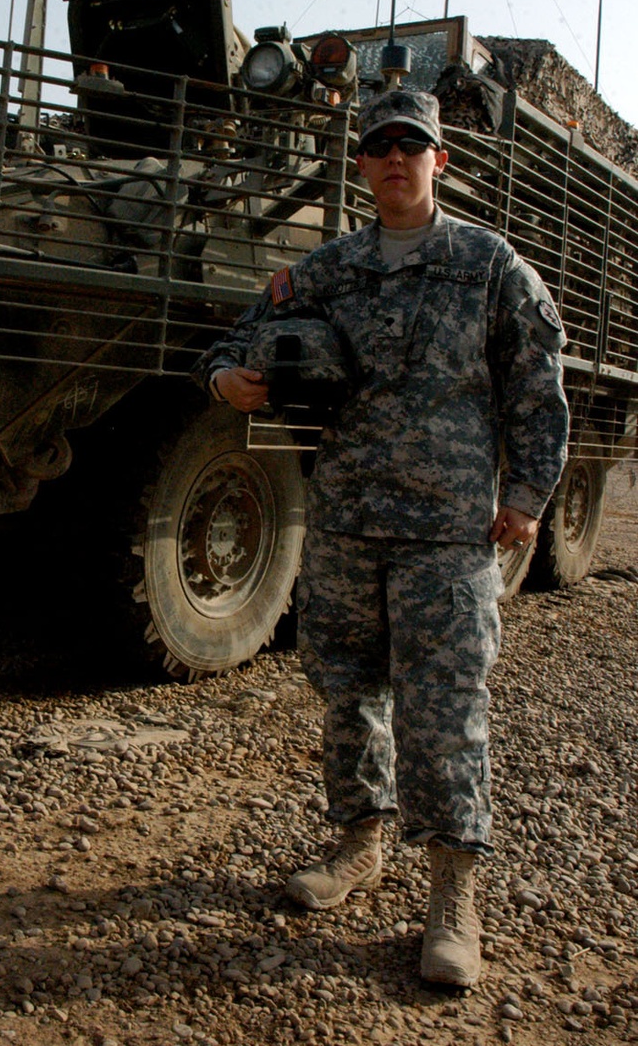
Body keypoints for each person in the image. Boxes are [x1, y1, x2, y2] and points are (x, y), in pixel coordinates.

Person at [194, 86, 569, 986]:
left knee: (445, 707)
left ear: (440, 160)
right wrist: (225, 383)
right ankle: (360, 841)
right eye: (379, 147)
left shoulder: (488, 264)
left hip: (448, 532)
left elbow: (536, 381)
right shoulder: (330, 267)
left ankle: (452, 894)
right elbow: (236, 334)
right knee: (347, 691)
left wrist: (526, 495)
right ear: (361, 164)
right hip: (349, 523)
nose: (396, 158)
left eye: (414, 145)